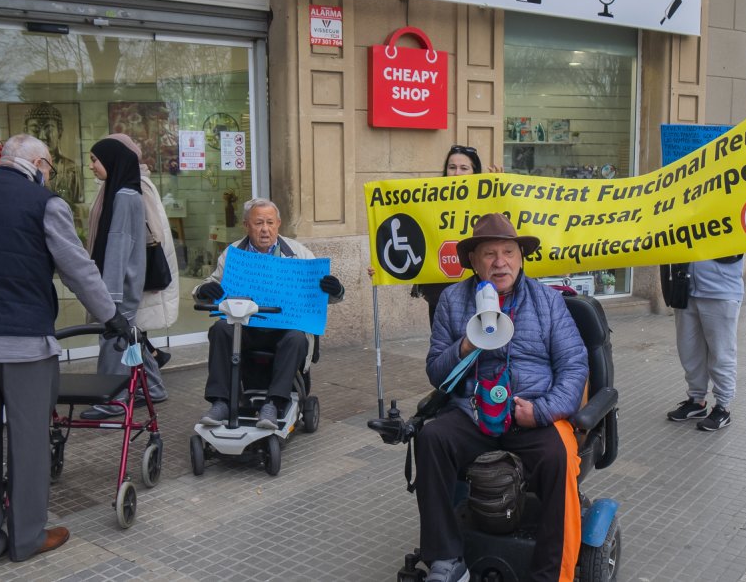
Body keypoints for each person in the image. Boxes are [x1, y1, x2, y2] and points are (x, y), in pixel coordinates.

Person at [0, 134, 135, 571]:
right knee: (28, 443)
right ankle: (26, 538)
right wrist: (111, 316)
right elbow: (76, 268)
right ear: (40, 163)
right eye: (48, 166)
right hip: (23, 343)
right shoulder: (45, 202)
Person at [417, 213, 588, 582]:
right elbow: (436, 371)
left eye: (508, 252)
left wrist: (541, 411)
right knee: (431, 438)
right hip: (473, 411)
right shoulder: (451, 300)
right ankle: (446, 558)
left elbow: (574, 367)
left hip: (530, 411)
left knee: (558, 457)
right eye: (489, 254)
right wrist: (464, 345)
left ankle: (549, 574)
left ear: (520, 257)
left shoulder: (546, 301)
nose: (500, 262)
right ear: (474, 262)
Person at [193, 198, 344, 429]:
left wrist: (334, 290)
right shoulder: (233, 253)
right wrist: (204, 290)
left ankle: (273, 403)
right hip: (245, 327)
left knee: (296, 337)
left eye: (270, 223)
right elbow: (212, 282)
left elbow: (320, 294)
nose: (265, 229)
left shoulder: (299, 253)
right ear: (246, 225)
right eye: (258, 223)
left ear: (279, 224)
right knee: (220, 329)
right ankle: (221, 401)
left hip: (283, 328)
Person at [78, 137, 169, 420]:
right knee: (132, 337)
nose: (92, 166)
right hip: (124, 282)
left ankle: (112, 401)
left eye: (95, 160)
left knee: (113, 340)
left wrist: (110, 297)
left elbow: (119, 246)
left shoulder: (124, 196)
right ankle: (153, 389)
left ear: (111, 161)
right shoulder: (122, 191)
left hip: (120, 285)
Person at [369, 144, 500, 325]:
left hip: (476, 290)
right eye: (452, 167)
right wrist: (381, 265)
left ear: (475, 172)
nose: (457, 173)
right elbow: (412, 237)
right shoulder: (430, 199)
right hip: (439, 293)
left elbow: (502, 234)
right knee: (443, 346)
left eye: (464, 168)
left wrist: (499, 191)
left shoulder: (487, 200)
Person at [107, 133, 179, 365]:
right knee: (132, 326)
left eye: (96, 159)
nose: (91, 165)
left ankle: (151, 374)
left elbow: (151, 230)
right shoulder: (121, 184)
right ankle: (152, 368)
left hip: (135, 268)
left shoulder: (136, 186)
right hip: (131, 266)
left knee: (130, 325)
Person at [664, 255, 743, 431]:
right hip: (685, 288)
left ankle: (723, 406)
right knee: (689, 351)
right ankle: (696, 401)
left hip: (721, 291)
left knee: (721, 353)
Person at [23, 102, 82, 205]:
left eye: (49, 129)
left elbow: (77, 204)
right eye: (35, 129)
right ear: (25, 132)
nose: (42, 136)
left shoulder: (71, 169)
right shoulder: (22, 168)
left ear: (60, 132)